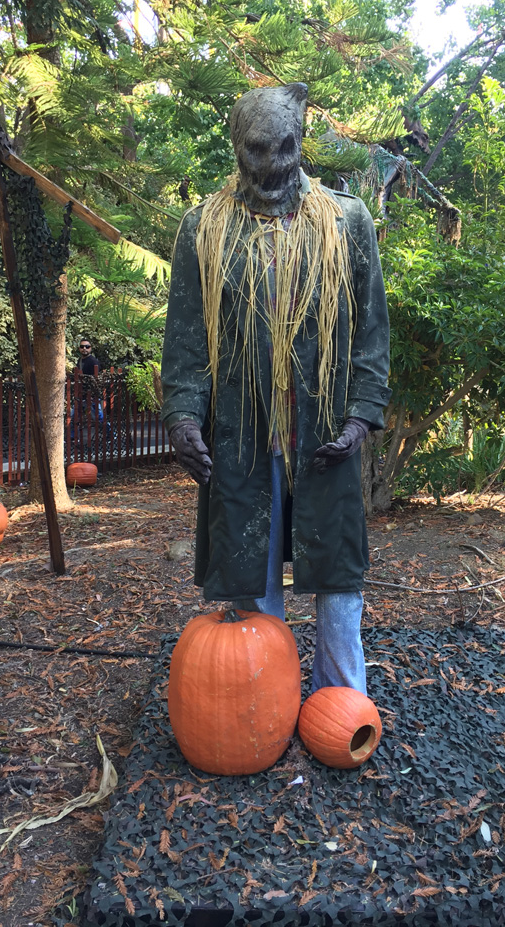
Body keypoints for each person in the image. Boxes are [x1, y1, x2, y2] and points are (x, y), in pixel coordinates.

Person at [161, 83, 392, 695]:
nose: (272, 165)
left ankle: (342, 697)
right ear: (236, 146)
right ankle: (265, 698)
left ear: (301, 141)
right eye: (257, 150)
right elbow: (186, 338)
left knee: (337, 567)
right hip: (242, 432)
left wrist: (360, 417)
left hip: (324, 429)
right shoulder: (203, 228)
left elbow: (371, 332)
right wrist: (183, 416)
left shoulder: (346, 221)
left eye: (285, 148)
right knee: (250, 564)